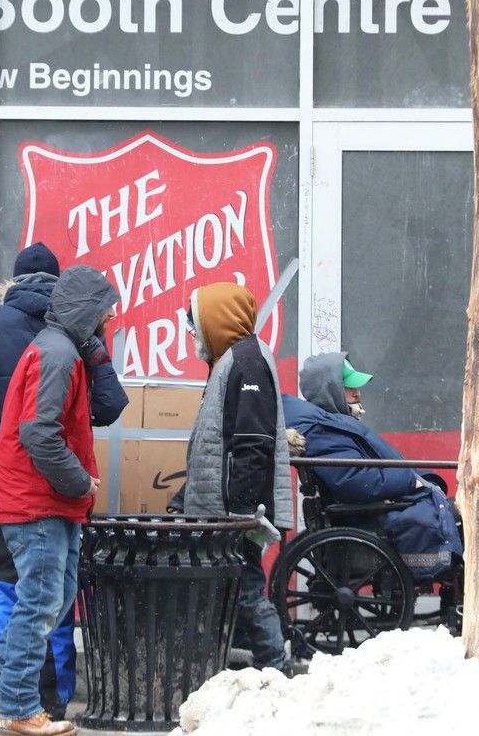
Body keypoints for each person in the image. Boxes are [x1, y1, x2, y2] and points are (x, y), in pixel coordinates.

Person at [0, 250, 127, 725]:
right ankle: (21, 708)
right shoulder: (59, 350)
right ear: (83, 304)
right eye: (105, 310)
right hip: (35, 495)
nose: (111, 318)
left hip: (22, 490)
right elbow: (45, 431)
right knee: (38, 601)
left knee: (36, 598)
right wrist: (81, 480)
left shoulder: (50, 340)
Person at [169, 283, 294, 673]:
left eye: (196, 322)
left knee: (248, 590)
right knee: (236, 589)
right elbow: (217, 447)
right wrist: (186, 496)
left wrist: (241, 513)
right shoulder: (234, 361)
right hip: (228, 509)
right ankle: (252, 672)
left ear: (217, 320)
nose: (192, 332)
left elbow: (252, 444)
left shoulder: (245, 362)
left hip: (236, 512)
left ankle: (278, 670)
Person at [282, 352, 463, 578]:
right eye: (349, 388)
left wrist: (418, 479)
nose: (358, 392)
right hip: (374, 518)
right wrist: (411, 481)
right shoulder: (324, 431)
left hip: (381, 509)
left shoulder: (331, 426)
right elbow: (356, 481)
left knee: (460, 512)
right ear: (332, 390)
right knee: (463, 519)